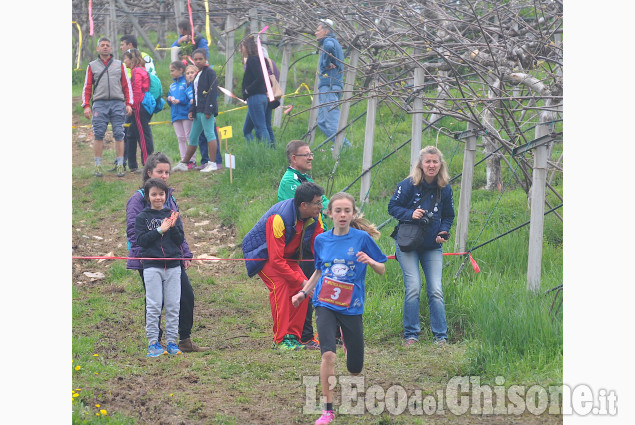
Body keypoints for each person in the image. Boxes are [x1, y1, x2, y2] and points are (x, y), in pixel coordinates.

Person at [291, 192, 387, 425]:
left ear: (353, 214)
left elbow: (382, 268)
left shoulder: (362, 239)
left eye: (347, 211)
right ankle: (328, 410)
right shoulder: (321, 240)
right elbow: (319, 271)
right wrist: (304, 292)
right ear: (329, 214)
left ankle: (346, 339)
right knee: (328, 355)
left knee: (354, 369)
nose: (342, 215)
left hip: (351, 307)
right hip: (324, 303)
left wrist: (371, 262)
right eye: (338, 211)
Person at [126, 152, 210, 353]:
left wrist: (185, 254)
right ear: (148, 173)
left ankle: (183, 339)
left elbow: (178, 229)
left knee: (185, 295)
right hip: (149, 259)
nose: (164, 176)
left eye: (167, 172)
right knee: (154, 301)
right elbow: (133, 232)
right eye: (159, 172)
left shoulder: (169, 198)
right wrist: (143, 258)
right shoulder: (137, 201)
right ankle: (155, 341)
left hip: (172, 259)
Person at [242, 182, 326, 350]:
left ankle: (294, 338)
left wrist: (324, 266)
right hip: (263, 255)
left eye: (321, 201)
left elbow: (319, 245)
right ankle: (280, 340)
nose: (321, 206)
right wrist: (302, 283)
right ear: (304, 205)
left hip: (287, 257)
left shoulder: (316, 215)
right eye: (317, 202)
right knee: (280, 285)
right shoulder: (279, 218)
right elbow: (276, 260)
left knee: (305, 288)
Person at [387, 146, 455, 346]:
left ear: (440, 164)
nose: (431, 165)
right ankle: (411, 334)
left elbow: (449, 216)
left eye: (435, 162)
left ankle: (440, 336)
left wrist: (443, 231)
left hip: (432, 245)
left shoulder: (445, 188)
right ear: (421, 164)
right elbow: (392, 207)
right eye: (428, 162)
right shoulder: (408, 185)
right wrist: (411, 214)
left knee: (435, 289)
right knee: (414, 287)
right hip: (408, 244)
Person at [277, 140, 329, 349]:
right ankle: (305, 336)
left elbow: (323, 204)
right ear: (293, 158)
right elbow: (307, 207)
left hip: (315, 236)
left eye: (311, 153)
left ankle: (319, 333)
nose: (310, 157)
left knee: (318, 284)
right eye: (305, 154)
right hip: (303, 241)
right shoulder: (291, 180)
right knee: (307, 285)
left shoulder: (304, 178)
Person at [134, 178, 185, 357]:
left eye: (161, 194)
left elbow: (180, 241)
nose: (158, 198)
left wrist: (173, 227)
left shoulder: (172, 215)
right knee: (154, 305)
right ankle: (153, 343)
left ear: (166, 196)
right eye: (154, 194)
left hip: (172, 265)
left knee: (173, 305)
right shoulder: (142, 218)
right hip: (151, 266)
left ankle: (172, 342)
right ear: (148, 196)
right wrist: (159, 230)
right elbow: (141, 241)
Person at [82, 37, 132, 177]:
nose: (105, 47)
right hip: (99, 103)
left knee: (119, 134)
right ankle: (98, 165)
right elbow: (87, 87)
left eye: (107, 45)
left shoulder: (119, 65)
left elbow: (126, 86)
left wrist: (128, 104)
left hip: (117, 103)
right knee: (98, 134)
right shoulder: (92, 66)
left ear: (111, 49)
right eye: (102, 45)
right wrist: (86, 105)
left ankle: (120, 164)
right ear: (98, 49)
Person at [172, 49, 220, 173]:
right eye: (196, 59)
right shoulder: (198, 74)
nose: (198, 61)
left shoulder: (210, 73)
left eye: (200, 59)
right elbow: (195, 94)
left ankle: (213, 163)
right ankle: (184, 163)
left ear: (205, 59)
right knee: (193, 136)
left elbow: (212, 92)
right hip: (198, 111)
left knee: (210, 134)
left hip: (206, 111)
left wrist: (209, 109)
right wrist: (192, 110)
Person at [315, 19, 351, 148]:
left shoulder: (328, 41)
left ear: (326, 31)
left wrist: (325, 64)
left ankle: (345, 147)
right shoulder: (331, 41)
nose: (315, 33)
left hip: (329, 85)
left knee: (331, 120)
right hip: (330, 85)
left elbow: (329, 47)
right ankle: (338, 145)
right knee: (322, 122)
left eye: (318, 30)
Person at [122, 49, 154, 171]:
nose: (124, 61)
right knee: (131, 133)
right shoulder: (141, 69)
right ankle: (133, 165)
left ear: (132, 59)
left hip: (139, 107)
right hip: (141, 105)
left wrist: (132, 106)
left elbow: (136, 91)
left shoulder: (136, 71)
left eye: (126, 58)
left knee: (143, 135)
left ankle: (148, 164)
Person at [240, 36, 272, 146]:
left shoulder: (252, 60)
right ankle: (254, 150)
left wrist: (248, 90)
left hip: (255, 97)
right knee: (246, 130)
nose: (241, 50)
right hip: (262, 97)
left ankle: (266, 152)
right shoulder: (260, 60)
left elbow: (260, 78)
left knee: (261, 128)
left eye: (242, 47)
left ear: (247, 47)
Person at [168, 61, 193, 165]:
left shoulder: (187, 83)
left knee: (188, 137)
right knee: (180, 137)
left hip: (186, 113)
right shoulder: (172, 86)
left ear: (180, 70)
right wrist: (169, 99)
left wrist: (180, 101)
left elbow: (190, 98)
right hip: (175, 115)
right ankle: (183, 160)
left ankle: (192, 160)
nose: (171, 73)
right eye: (170, 71)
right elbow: (169, 101)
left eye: (173, 71)